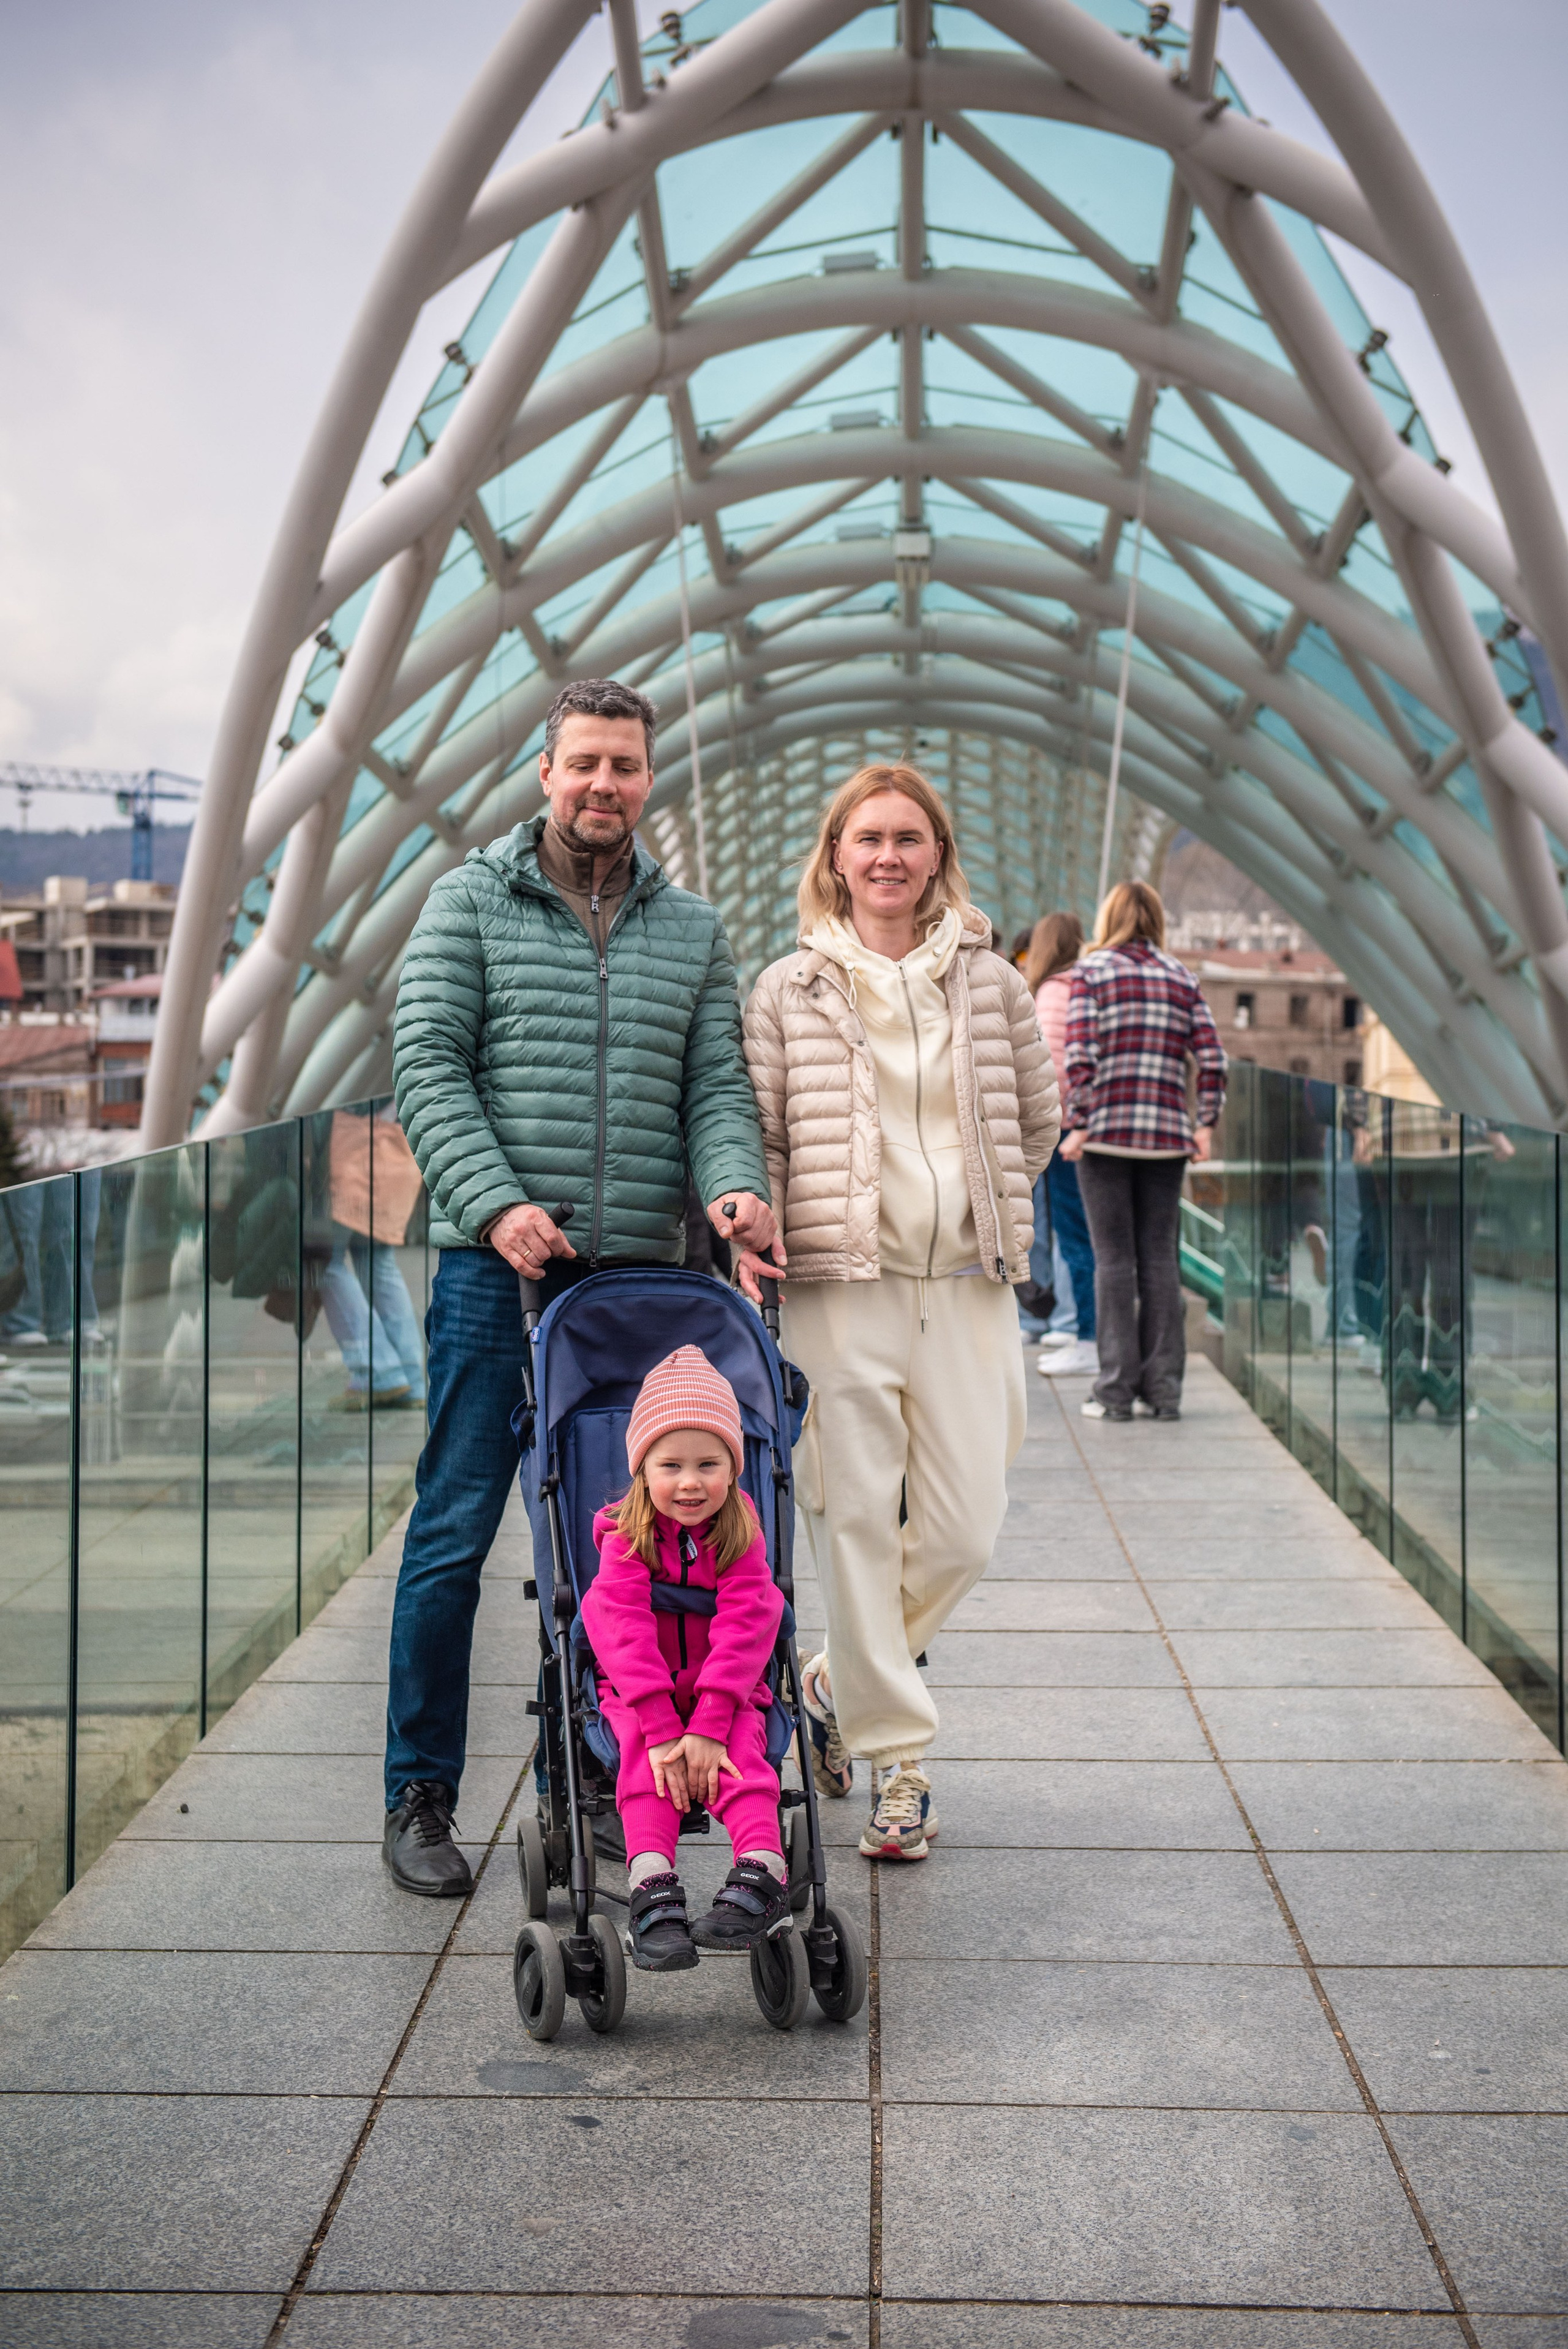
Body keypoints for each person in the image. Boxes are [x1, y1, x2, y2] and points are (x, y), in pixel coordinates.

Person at [383, 676, 777, 1896]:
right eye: (585, 763)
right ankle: (419, 1793)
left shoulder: (691, 928)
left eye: (625, 765)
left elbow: (714, 1085)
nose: (605, 784)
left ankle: (599, 1778)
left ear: (647, 780)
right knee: (454, 1527)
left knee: (618, 1542)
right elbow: (427, 1064)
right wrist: (495, 1203)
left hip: (635, 1284)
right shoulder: (467, 902)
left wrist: (733, 1188)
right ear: (545, 773)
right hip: (493, 1269)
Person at [743, 763, 1058, 1861]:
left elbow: (1038, 1117)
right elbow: (767, 1131)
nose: (887, 855)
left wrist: (984, 1207)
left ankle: (832, 1683)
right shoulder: (788, 989)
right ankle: (901, 1766)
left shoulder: (995, 984)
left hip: (966, 1284)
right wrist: (765, 1225)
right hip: (840, 1288)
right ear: (835, 855)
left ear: (938, 857)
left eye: (908, 838)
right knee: (859, 1524)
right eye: (867, 837)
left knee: (966, 1527)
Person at [580, 1345, 790, 1970]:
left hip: (725, 1691)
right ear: (642, 1470)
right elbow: (620, 1629)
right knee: (645, 1761)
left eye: (709, 1464)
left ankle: (762, 1866)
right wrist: (666, 1727)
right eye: (671, 1465)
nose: (691, 1481)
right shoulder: (625, 1536)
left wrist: (710, 1721)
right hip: (641, 1696)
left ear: (734, 1467)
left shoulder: (739, 1533)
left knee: (744, 1753)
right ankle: (652, 1879)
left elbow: (749, 1622)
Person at [1060, 880, 1226, 1423]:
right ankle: (1165, 1391)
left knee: (1113, 1261)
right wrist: (1205, 1124)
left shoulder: (1091, 973)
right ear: (1157, 920)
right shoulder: (1182, 976)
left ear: (1109, 919)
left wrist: (1079, 1121)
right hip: (1167, 1139)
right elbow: (1213, 1058)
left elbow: (1080, 1055)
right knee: (1159, 1259)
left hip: (1105, 1135)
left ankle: (1114, 1393)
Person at [1025, 912, 1099, 1381]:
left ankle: (1081, 1332)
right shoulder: (1091, 985)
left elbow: (1050, 1067)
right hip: (1091, 1129)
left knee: (1071, 1235)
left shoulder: (1055, 991)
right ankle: (1082, 1328)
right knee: (1083, 1233)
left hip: (1066, 1131)